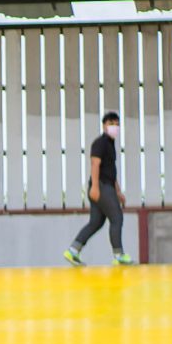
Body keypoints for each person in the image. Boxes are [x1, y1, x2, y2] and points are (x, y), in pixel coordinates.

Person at [63, 111, 133, 266]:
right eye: (110, 123)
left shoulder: (111, 145)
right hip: (100, 186)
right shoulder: (100, 143)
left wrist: (118, 191)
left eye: (116, 124)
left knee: (96, 222)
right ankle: (119, 255)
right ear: (104, 125)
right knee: (117, 217)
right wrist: (94, 187)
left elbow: (110, 171)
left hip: (106, 185)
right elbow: (95, 164)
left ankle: (73, 250)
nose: (114, 126)